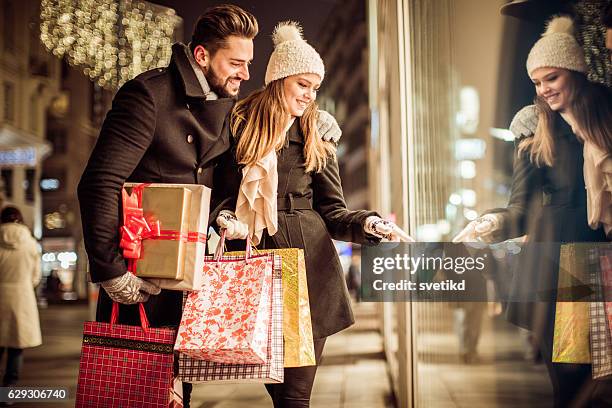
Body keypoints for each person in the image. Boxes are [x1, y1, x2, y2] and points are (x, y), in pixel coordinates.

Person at [216, 21, 411, 407]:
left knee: (295, 394)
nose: (309, 95)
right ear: (279, 79)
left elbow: (333, 211)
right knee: (276, 389)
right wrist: (224, 219)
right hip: (253, 265)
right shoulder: (237, 126)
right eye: (302, 84)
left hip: (304, 269)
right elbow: (221, 195)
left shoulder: (317, 135)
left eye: (314, 87)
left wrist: (370, 223)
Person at [453, 15, 612, 407]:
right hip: (562, 261)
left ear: (574, 70)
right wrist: (490, 223)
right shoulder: (534, 129)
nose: (544, 90)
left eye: (551, 78)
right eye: (537, 82)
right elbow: (520, 209)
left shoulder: (604, 116)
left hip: (603, 255)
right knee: (572, 383)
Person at [0, 207, 41, 388]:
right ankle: (9, 389)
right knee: (17, 346)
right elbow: (36, 276)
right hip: (22, 296)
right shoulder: (31, 243)